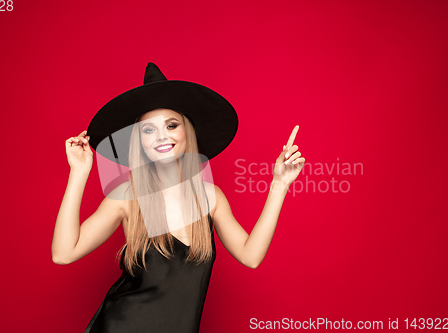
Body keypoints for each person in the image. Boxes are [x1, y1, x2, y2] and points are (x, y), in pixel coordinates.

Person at [51, 63, 305, 333]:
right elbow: (63, 254)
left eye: (171, 125)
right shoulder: (127, 195)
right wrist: (78, 173)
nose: (162, 136)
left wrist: (280, 184)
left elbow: (251, 256)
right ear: (140, 142)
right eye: (149, 130)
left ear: (188, 132)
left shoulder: (210, 196)